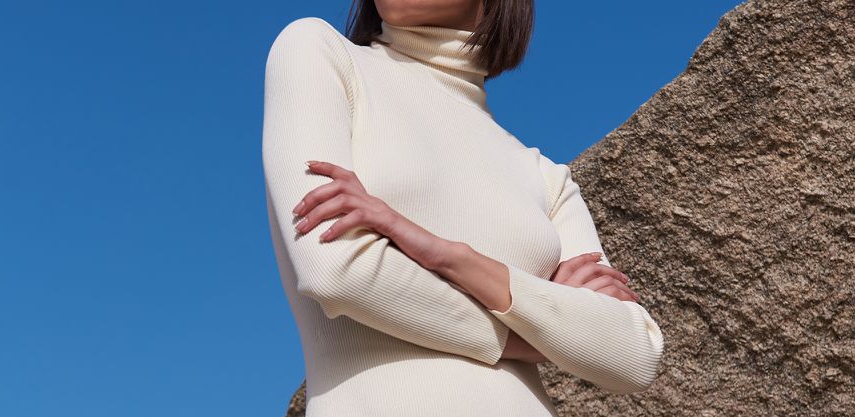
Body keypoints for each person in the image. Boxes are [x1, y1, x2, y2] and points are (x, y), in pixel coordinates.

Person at [260, 0, 665, 415]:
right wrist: (534, 336)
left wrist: (449, 255)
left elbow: (634, 354)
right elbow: (339, 273)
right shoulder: (318, 51)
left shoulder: (544, 176)